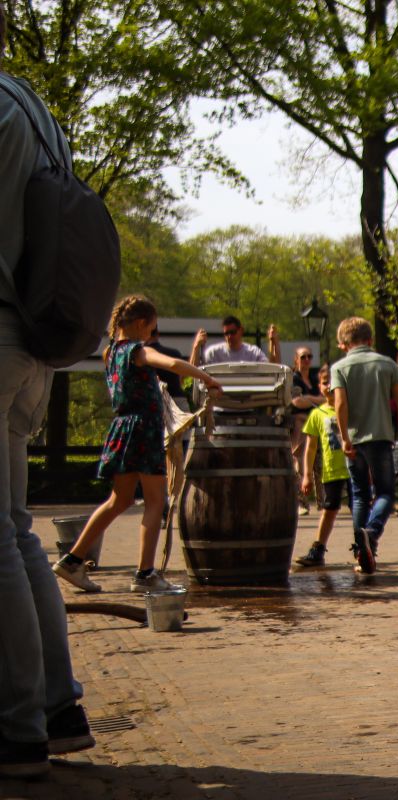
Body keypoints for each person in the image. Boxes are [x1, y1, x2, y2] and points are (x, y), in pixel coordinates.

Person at [0, 31, 96, 777]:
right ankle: (57, 705)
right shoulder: (35, 107)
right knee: (16, 529)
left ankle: (18, 725)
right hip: (34, 342)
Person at [52, 296, 221, 595]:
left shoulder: (110, 352)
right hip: (143, 431)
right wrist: (207, 378)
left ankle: (72, 560)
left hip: (123, 429)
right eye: (152, 329)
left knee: (119, 501)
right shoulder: (136, 351)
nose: (151, 336)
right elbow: (171, 363)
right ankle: (145, 573)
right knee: (156, 501)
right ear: (141, 324)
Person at [330, 317, 398, 574]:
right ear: (370, 340)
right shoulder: (387, 364)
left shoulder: (340, 367)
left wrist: (344, 437)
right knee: (386, 492)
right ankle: (372, 533)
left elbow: (340, 405)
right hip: (380, 437)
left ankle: (361, 551)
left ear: (344, 344)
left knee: (360, 495)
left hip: (354, 440)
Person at [294, 367, 348, 568]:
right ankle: (318, 549)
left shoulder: (349, 408)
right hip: (331, 469)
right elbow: (310, 448)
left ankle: (365, 548)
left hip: (352, 467)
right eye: (325, 382)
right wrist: (307, 475)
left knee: (360, 507)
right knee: (329, 509)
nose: (329, 386)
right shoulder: (318, 414)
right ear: (319, 386)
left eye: (333, 382)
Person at [290, 345, 325, 514]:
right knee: (300, 461)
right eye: (303, 357)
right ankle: (301, 503)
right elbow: (296, 402)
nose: (306, 360)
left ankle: (322, 502)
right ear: (296, 359)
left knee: (320, 464)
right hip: (301, 425)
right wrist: (317, 399)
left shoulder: (314, 378)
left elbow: (326, 398)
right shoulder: (293, 379)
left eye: (309, 357)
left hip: (318, 424)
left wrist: (309, 399)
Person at [191, 315, 279, 366]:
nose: (229, 336)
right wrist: (196, 346)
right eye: (226, 333)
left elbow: (272, 369)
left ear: (241, 331)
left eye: (232, 332)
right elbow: (194, 373)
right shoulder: (213, 353)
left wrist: (274, 342)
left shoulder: (253, 352)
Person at [145, 326, 190, 411]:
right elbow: (181, 379)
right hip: (178, 400)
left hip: (156, 403)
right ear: (157, 334)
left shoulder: (143, 356)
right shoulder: (174, 353)